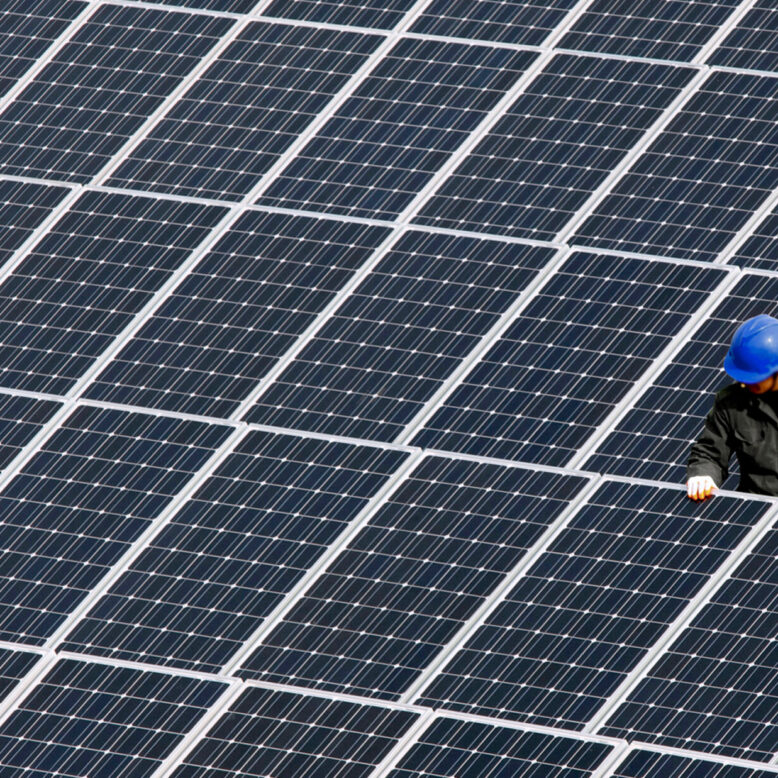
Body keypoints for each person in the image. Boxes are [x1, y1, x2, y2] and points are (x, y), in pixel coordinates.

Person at [687, 314, 778, 500]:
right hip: (756, 510)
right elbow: (709, 453)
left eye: (755, 377)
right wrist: (703, 475)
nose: (745, 383)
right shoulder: (732, 403)